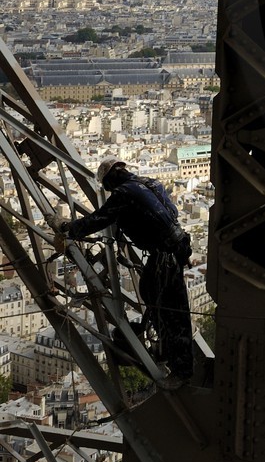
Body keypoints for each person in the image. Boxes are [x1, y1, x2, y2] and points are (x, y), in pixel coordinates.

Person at [59, 157, 194, 388]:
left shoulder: (123, 194)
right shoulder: (152, 183)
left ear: (111, 179)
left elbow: (97, 221)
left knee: (172, 313)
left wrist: (68, 228)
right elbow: (170, 213)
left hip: (164, 256)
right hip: (176, 252)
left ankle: (180, 370)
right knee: (155, 296)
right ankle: (163, 350)